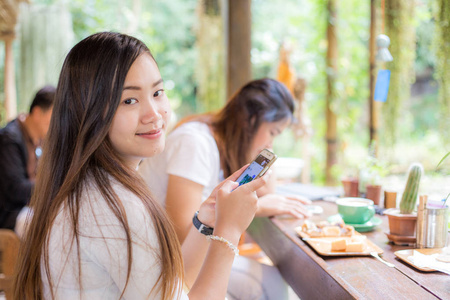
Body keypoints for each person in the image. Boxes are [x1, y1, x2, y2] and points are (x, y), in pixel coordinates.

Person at [14, 32, 269, 299]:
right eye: (129, 100)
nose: (154, 113)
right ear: (88, 112)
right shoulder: (115, 209)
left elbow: (173, 287)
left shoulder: (93, 189)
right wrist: (229, 231)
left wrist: (207, 221)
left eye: (158, 92)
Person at [139, 78, 312, 300]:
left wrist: (260, 160)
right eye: (272, 132)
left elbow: (267, 192)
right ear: (251, 120)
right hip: (161, 259)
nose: (271, 144)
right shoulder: (195, 142)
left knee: (271, 281)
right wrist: (252, 209)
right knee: (269, 285)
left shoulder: (223, 145)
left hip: (178, 257)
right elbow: (184, 233)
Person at [0, 85, 55, 233]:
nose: (56, 126)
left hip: (27, 208)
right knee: (51, 228)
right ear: (37, 113)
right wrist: (53, 186)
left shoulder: (40, 140)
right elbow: (15, 189)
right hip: (10, 213)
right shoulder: (9, 139)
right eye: (53, 118)